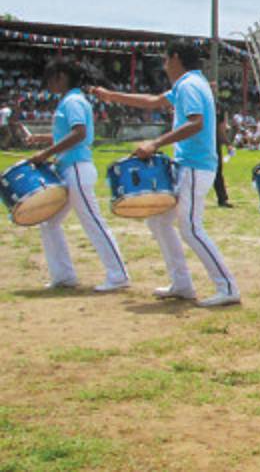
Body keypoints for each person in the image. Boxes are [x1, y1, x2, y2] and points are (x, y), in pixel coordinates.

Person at [93, 40, 240, 307]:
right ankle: (182, 283)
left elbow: (196, 123)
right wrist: (112, 96)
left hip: (195, 167)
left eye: (164, 59)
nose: (163, 65)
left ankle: (227, 286)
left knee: (191, 228)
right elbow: (153, 101)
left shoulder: (189, 86)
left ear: (175, 58)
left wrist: (155, 143)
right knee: (159, 222)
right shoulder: (190, 84)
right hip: (189, 166)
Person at [27, 58, 129, 292]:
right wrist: (44, 141)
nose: (48, 85)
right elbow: (71, 134)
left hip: (76, 170)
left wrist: (46, 152)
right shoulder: (70, 101)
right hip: (69, 169)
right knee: (49, 223)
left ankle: (118, 275)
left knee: (93, 222)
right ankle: (63, 275)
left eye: (50, 79)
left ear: (61, 76)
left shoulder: (72, 101)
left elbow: (79, 134)